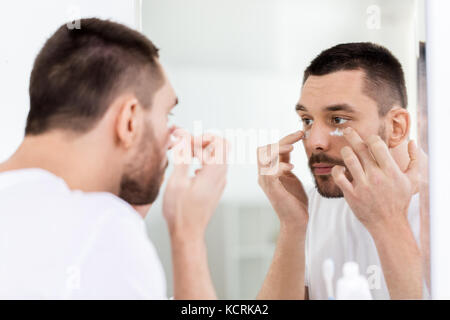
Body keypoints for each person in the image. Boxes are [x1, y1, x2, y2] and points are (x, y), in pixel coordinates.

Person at [257, 42, 427, 300]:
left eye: (337, 119)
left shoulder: (437, 208)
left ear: (396, 127)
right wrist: (292, 227)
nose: (314, 141)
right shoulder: (318, 203)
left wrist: (388, 222)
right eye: (307, 120)